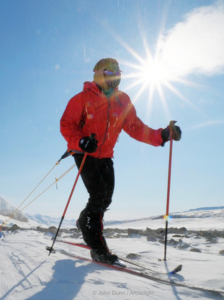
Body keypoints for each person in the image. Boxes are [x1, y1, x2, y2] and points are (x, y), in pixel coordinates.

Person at [60, 58, 181, 265]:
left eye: (117, 74)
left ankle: (83, 221)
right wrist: (80, 141)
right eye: (109, 73)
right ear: (98, 74)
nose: (113, 77)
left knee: (106, 198)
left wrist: (161, 135)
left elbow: (135, 127)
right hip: (85, 152)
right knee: (98, 194)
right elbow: (67, 125)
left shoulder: (122, 100)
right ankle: (97, 247)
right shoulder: (81, 99)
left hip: (106, 155)